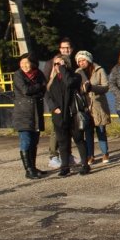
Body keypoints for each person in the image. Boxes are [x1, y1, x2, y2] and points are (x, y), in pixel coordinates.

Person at [46, 54, 90, 177]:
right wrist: (54, 107)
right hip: (59, 115)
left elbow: (69, 83)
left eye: (60, 64)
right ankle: (65, 167)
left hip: (73, 114)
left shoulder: (75, 76)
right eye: (55, 64)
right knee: (62, 142)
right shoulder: (53, 80)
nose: (57, 66)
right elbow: (47, 95)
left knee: (79, 140)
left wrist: (63, 69)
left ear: (66, 65)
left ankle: (85, 165)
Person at [13, 53, 47, 179]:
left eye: (27, 63)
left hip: (36, 112)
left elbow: (44, 89)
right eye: (22, 63)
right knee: (26, 141)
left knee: (34, 141)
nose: (24, 65)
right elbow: (25, 90)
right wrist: (39, 86)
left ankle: (33, 167)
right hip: (23, 113)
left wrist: (38, 89)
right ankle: (28, 170)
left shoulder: (39, 74)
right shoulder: (18, 75)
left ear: (33, 63)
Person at [43, 37, 75, 169]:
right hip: (56, 103)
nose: (65, 50)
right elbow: (45, 86)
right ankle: (53, 156)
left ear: (71, 49)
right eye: (63, 48)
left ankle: (67, 155)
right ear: (59, 49)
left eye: (68, 47)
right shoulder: (52, 63)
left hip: (68, 103)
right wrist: (52, 106)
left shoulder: (72, 62)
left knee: (68, 129)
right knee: (56, 130)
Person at [75, 50, 111, 165]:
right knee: (88, 132)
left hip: (98, 105)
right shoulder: (78, 72)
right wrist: (82, 89)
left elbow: (106, 87)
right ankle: (90, 155)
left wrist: (92, 88)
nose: (81, 63)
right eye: (79, 61)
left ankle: (105, 153)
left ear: (89, 60)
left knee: (101, 130)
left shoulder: (99, 70)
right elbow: (75, 89)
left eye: (83, 60)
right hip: (85, 105)